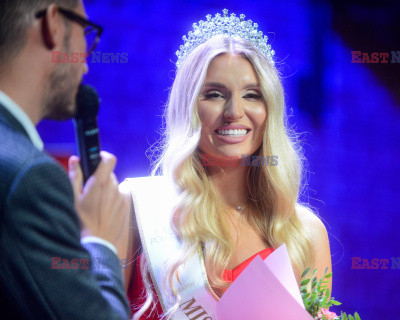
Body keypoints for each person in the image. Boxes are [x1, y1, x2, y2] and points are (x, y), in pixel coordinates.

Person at [120, 9, 331, 320]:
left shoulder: (305, 234)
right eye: (215, 94)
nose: (234, 111)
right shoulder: (139, 209)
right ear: (189, 106)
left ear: (269, 109)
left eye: (252, 95)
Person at [0, 1, 130, 319]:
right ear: (54, 25)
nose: (85, 65)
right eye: (85, 32)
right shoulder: (29, 178)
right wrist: (99, 238)